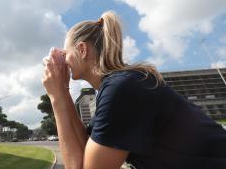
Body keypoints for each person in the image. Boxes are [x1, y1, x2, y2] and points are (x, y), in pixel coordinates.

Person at [42, 11, 226, 169]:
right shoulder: (119, 85)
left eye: (66, 55)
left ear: (82, 49)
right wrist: (63, 92)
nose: (64, 62)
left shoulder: (122, 89)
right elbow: (84, 152)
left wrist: (56, 97)